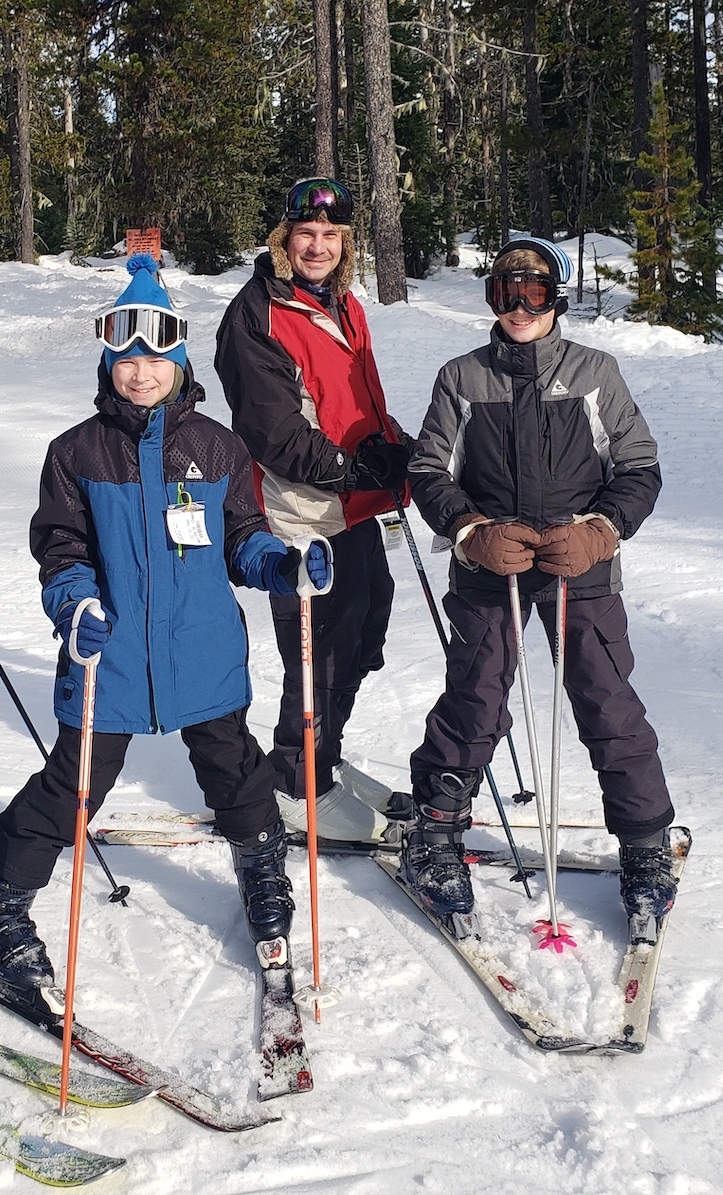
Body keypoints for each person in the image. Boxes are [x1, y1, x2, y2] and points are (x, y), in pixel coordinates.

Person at [0, 255, 327, 997]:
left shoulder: (219, 447)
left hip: (203, 655)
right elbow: (61, 551)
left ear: (179, 359)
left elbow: (241, 538)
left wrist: (281, 567)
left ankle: (263, 878)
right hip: (112, 658)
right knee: (75, 785)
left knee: (237, 772)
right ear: (107, 359)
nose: (140, 370)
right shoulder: (75, 453)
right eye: (125, 355)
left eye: (156, 354)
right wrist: (78, 606)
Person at [401, 235, 678, 931]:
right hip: (492, 568)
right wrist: (470, 530)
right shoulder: (463, 378)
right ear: (491, 299)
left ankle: (645, 844)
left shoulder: (594, 373)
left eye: (533, 292)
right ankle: (434, 833)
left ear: (555, 296)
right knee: (476, 699)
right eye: (504, 293)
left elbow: (640, 468)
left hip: (578, 568)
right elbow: (428, 471)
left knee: (606, 701)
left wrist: (601, 529)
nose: (519, 307)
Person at [214, 177, 414, 844]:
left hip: (354, 504)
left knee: (362, 635)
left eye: (331, 236)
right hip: (300, 510)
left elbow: (357, 403)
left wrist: (398, 453)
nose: (319, 245)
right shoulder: (258, 314)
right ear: (284, 238)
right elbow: (275, 431)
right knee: (318, 650)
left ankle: (320, 757)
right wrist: (356, 468)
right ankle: (298, 778)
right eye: (307, 234)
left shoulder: (343, 304)